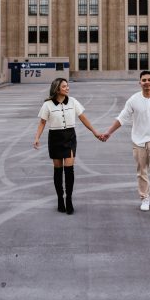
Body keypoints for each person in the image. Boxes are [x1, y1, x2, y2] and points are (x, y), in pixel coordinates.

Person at [101, 70, 150, 217]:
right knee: (142, 172)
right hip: (139, 142)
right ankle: (145, 198)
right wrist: (109, 132)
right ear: (139, 83)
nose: (146, 82)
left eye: (149, 80)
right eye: (144, 80)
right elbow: (122, 118)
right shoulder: (133, 100)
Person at [34, 77, 100, 215]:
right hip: (55, 138)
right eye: (64, 86)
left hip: (69, 137)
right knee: (58, 171)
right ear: (57, 89)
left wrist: (95, 132)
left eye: (67, 86)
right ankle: (60, 199)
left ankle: (69, 199)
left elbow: (83, 118)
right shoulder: (47, 105)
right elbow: (42, 123)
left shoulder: (73, 101)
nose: (67, 88)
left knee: (69, 170)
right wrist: (37, 138)